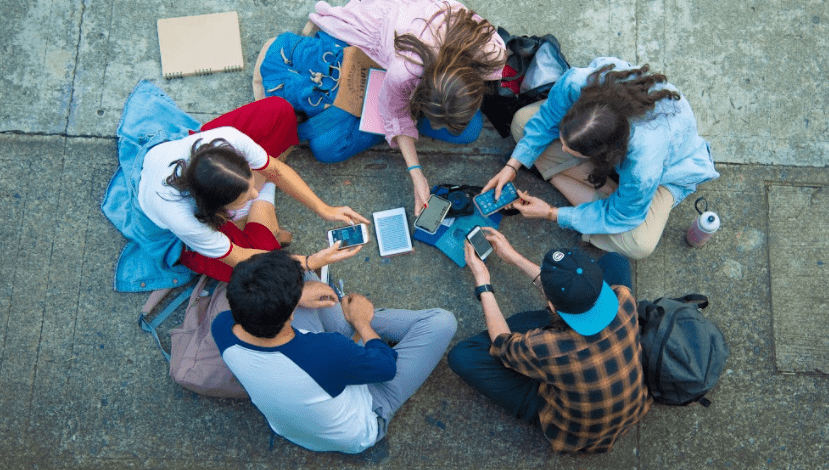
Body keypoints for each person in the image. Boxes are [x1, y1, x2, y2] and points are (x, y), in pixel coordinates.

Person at [102, 81, 368, 291]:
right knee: (263, 258)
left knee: (278, 111)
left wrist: (325, 209)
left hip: (189, 171)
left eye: (252, 184)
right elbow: (245, 258)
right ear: (215, 208)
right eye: (245, 196)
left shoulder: (225, 140)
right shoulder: (183, 218)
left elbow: (273, 169)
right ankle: (258, 211)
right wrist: (311, 262)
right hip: (168, 225)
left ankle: (253, 214)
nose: (254, 189)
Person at [213, 249, 457, 454]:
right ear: (289, 314)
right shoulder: (326, 350)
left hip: (293, 425)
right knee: (442, 322)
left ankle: (347, 317)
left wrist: (298, 295)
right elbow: (385, 367)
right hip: (361, 423)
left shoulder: (222, 326)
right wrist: (362, 322)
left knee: (310, 279)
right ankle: (355, 315)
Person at [484, 57, 719, 259]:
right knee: (521, 123)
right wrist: (512, 166)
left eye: (570, 149)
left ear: (604, 152)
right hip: (623, 165)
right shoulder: (578, 83)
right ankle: (598, 199)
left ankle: (574, 183)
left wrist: (552, 213)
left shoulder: (642, 165)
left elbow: (623, 216)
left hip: (666, 174)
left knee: (639, 244)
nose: (562, 148)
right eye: (563, 140)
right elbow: (546, 119)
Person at [308, 0, 507, 215]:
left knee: (470, 131)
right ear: (420, 91)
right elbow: (396, 111)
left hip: (410, 38)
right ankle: (388, 125)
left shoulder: (493, 52)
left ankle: (390, 128)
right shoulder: (406, 70)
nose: (433, 123)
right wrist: (416, 171)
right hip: (382, 38)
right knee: (326, 147)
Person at [448, 229, 652, 453]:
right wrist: (514, 257)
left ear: (552, 306)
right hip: (633, 405)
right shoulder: (623, 297)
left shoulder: (547, 347)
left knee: (463, 356)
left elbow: (502, 343)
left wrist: (483, 283)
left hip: (574, 434)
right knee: (616, 261)